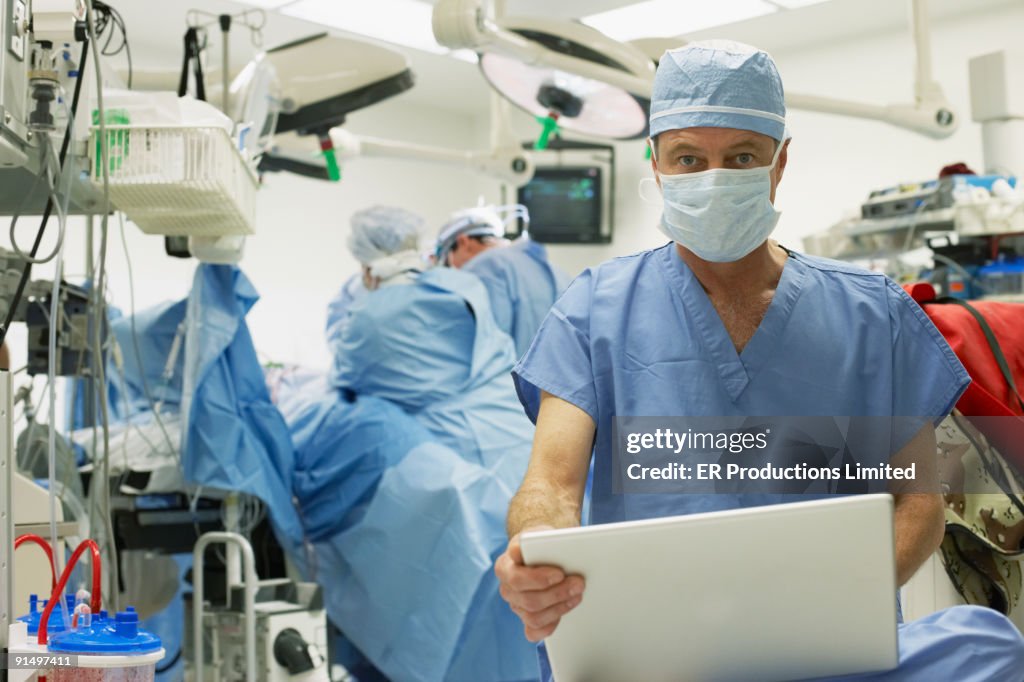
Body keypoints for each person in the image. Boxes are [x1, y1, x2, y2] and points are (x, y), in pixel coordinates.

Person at [495, 40, 1024, 680]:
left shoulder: (870, 316)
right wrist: (534, 552)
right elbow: (550, 486)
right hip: (657, 648)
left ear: (779, 162)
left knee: (989, 646)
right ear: (656, 163)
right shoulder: (595, 312)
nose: (713, 177)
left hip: (826, 646)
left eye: (741, 157)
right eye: (688, 157)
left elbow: (918, 506)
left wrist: (817, 615)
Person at [436, 204, 570, 357]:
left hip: (509, 378)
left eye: (448, 260)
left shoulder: (485, 267)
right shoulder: (554, 270)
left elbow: (484, 345)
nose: (455, 268)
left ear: (463, 242)